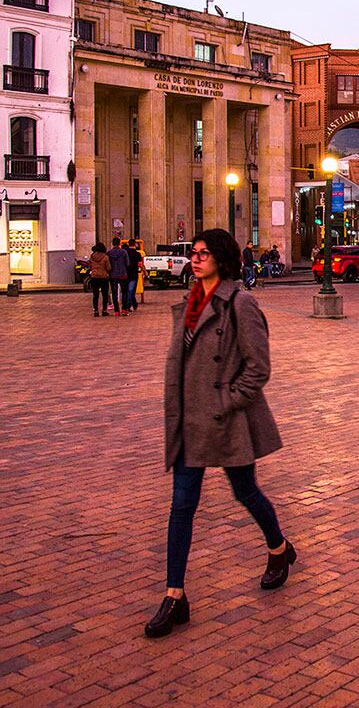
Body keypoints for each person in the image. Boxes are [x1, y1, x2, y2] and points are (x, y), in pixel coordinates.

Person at [146, 228, 294, 638]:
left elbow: (258, 368)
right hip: (188, 423)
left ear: (222, 259)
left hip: (225, 420)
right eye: (192, 253)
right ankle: (175, 595)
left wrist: (224, 401)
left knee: (246, 492)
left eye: (203, 254)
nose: (195, 259)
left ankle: (279, 549)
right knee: (181, 507)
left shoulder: (241, 303)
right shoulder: (188, 303)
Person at [107, 237, 131, 317]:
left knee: (114, 293)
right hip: (122, 274)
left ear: (112, 243)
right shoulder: (123, 252)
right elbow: (127, 263)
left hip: (113, 275)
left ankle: (116, 311)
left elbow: (108, 265)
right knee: (124, 292)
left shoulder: (109, 253)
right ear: (119, 243)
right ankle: (124, 309)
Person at [88, 242, 113, 317]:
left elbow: (90, 266)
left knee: (95, 295)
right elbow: (108, 267)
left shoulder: (92, 256)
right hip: (103, 277)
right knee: (104, 295)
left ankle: (95, 311)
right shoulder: (105, 257)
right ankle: (104, 310)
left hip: (94, 277)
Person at [124, 239, 144, 312]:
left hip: (125, 273)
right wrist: (144, 271)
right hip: (134, 274)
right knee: (131, 290)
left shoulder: (125, 252)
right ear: (135, 244)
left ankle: (134, 304)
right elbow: (140, 264)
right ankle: (128, 306)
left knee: (127, 290)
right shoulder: (137, 254)